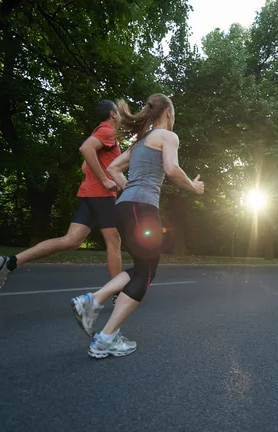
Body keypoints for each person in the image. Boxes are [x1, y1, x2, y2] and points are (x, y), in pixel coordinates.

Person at [70, 93, 204, 359]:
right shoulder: (167, 136)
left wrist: (129, 190)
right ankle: (104, 336)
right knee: (146, 273)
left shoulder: (141, 141)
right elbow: (172, 168)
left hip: (124, 208)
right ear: (167, 112)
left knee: (142, 269)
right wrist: (194, 186)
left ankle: (93, 303)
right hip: (142, 209)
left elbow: (114, 170)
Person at [0, 100, 123, 301]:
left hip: (89, 193)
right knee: (114, 241)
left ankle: (7, 263)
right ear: (112, 114)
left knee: (71, 240)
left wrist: (99, 176)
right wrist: (104, 180)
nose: (119, 116)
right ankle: (117, 293)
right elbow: (85, 149)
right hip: (101, 195)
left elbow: (85, 166)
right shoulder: (107, 131)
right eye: (118, 113)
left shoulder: (98, 132)